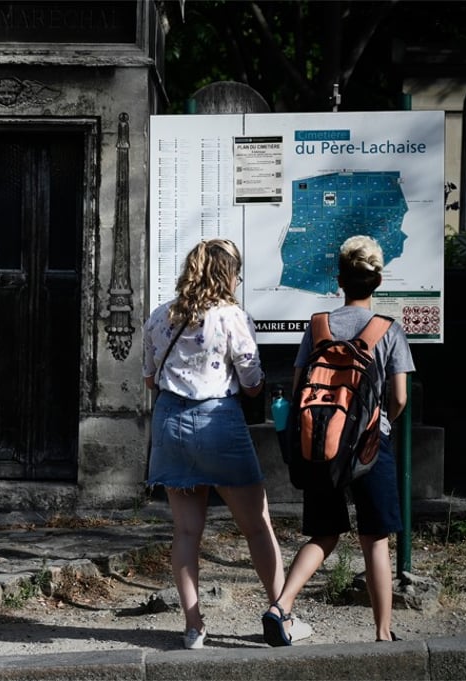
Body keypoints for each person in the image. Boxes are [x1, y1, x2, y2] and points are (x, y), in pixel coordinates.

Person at [143, 238, 306, 650]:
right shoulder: (232, 316)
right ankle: (280, 615)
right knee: (256, 525)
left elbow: (149, 379)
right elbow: (252, 384)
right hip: (218, 424)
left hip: (170, 424)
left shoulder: (160, 317)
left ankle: (194, 626)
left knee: (185, 531)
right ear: (227, 274)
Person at [262, 235, 415, 646]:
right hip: (370, 445)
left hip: (320, 446)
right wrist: (380, 422)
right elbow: (399, 397)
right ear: (378, 281)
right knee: (375, 539)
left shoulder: (318, 328)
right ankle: (383, 632)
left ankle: (281, 606)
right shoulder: (388, 330)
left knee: (324, 534)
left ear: (339, 280)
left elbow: (298, 391)